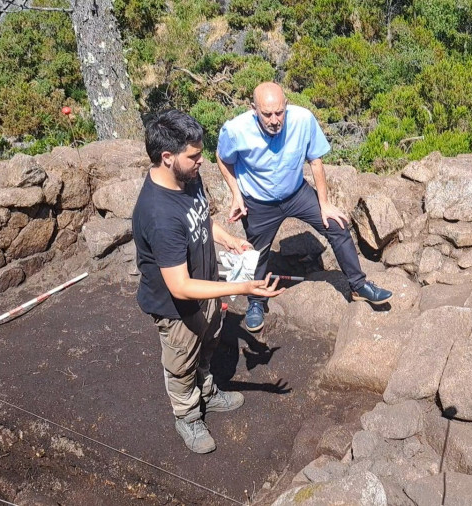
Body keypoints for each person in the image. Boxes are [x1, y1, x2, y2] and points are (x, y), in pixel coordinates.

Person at [132, 109, 285, 454]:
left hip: (206, 287)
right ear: (167, 157)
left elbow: (200, 219)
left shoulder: (187, 178)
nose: (202, 161)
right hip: (177, 307)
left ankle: (208, 391)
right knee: (181, 361)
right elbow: (180, 287)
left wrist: (228, 240)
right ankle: (186, 415)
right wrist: (244, 288)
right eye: (195, 156)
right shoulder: (158, 214)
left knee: (210, 340)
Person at [216, 82, 392, 332]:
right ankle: (255, 301)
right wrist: (236, 194)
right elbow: (222, 158)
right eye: (267, 114)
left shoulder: (303, 119)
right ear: (253, 109)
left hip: (296, 193)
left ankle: (358, 286)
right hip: (259, 201)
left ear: (286, 105)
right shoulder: (236, 130)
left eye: (279, 112)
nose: (275, 120)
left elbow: (315, 161)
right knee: (256, 252)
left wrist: (325, 204)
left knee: (337, 226)